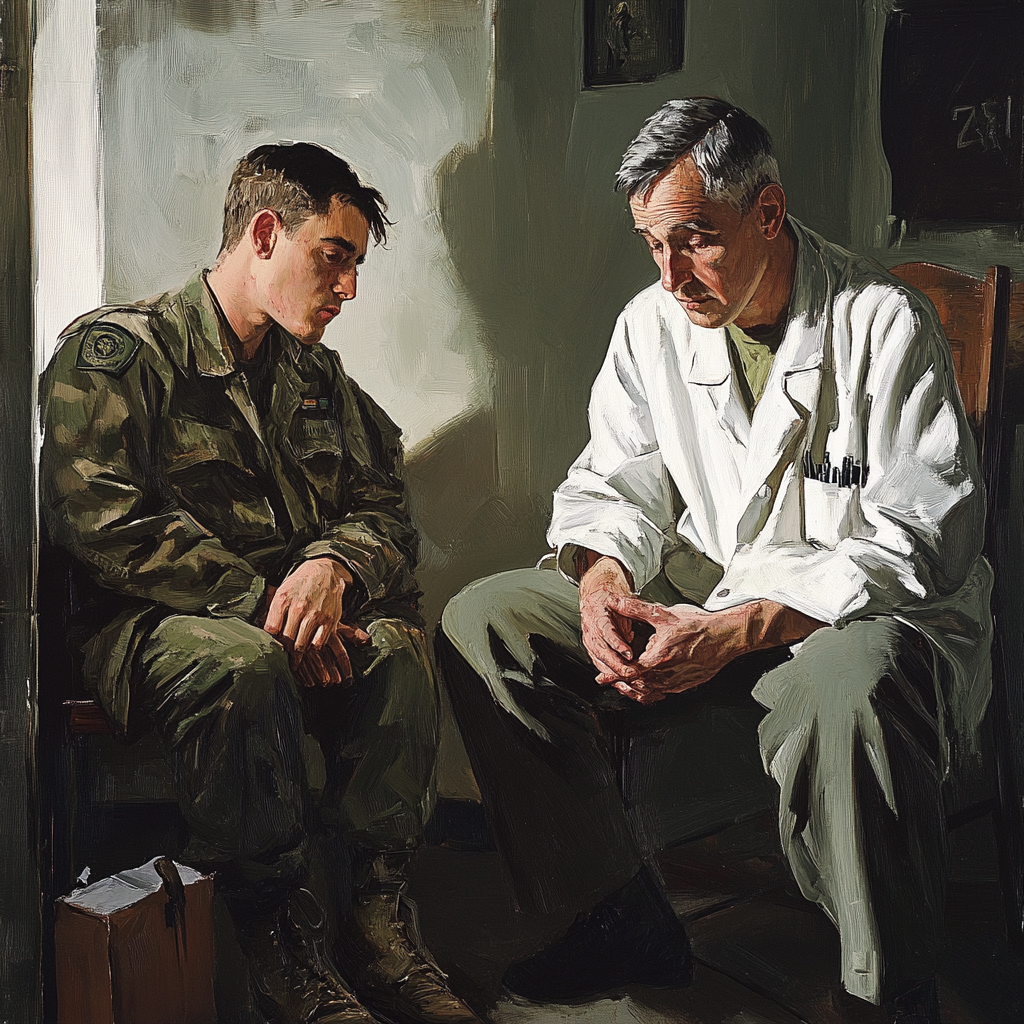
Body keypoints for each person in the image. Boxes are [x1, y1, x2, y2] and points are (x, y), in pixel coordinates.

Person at [436, 98, 992, 1024]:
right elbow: (613, 482)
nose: (671, 274)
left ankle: (885, 989)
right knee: (484, 620)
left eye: (695, 240)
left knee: (849, 688)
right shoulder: (650, 325)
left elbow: (924, 537)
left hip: (854, 622)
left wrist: (739, 630)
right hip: (708, 601)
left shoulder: (882, 325)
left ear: (767, 212)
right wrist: (603, 582)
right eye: (652, 245)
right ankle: (615, 911)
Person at [40, 143, 481, 1024]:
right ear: (266, 233)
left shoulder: (314, 374)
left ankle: (378, 927)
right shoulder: (119, 352)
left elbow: (383, 506)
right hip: (150, 629)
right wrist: (269, 610)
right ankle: (277, 942)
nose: (347, 288)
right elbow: (102, 523)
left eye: (356, 266)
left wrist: (332, 565)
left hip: (289, 623)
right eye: (334, 258)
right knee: (243, 664)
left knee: (397, 651)